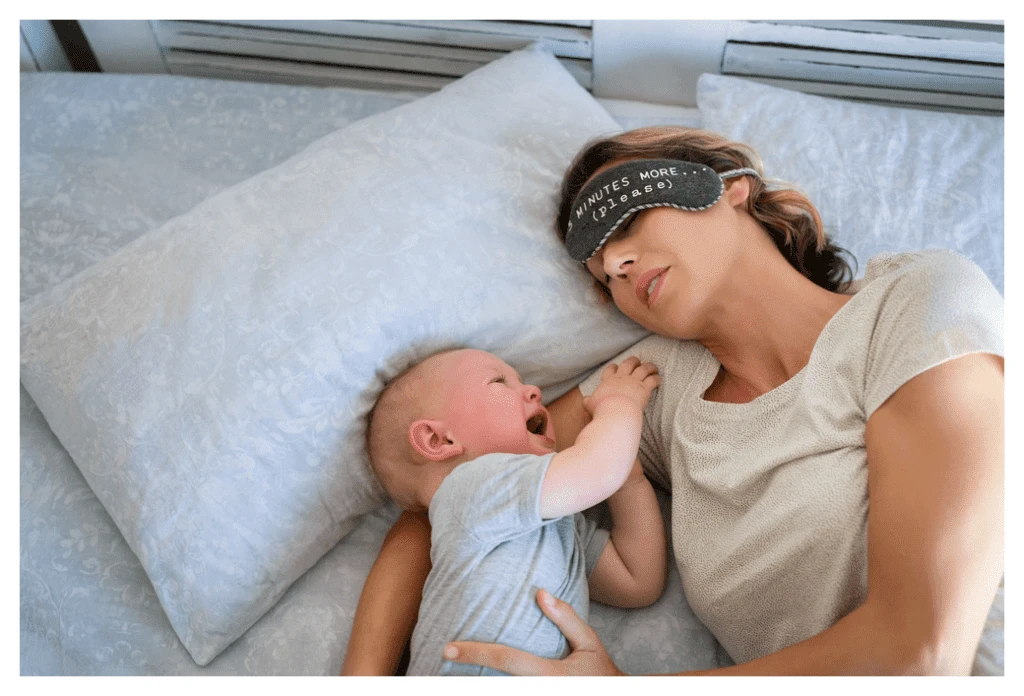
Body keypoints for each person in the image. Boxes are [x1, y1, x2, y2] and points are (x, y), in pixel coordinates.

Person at [342, 127, 1004, 676]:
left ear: (733, 190)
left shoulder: (916, 302)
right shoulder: (650, 388)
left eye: (628, 219)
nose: (620, 266)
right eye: (603, 275)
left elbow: (923, 653)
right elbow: (447, 493)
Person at [361, 346, 665, 675]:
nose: (534, 390)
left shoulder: (556, 522)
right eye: (500, 382)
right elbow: (597, 470)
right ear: (439, 440)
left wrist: (629, 482)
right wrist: (618, 405)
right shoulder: (471, 488)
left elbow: (636, 582)